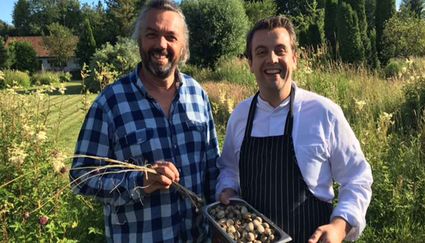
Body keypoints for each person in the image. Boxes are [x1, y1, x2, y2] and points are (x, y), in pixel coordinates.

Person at [70, 0, 219, 242]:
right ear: (139, 40)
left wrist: (218, 225)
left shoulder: (197, 95)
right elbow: (81, 177)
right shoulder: (110, 103)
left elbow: (212, 168)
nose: (161, 44)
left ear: (183, 46)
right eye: (152, 34)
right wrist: (139, 181)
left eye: (171, 36)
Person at [216, 16, 373, 243]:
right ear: (250, 63)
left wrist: (340, 226)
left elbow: (357, 178)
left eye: (280, 50)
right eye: (261, 52)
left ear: (295, 58)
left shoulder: (323, 112)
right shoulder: (240, 116)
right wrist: (228, 191)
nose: (272, 59)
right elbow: (229, 169)